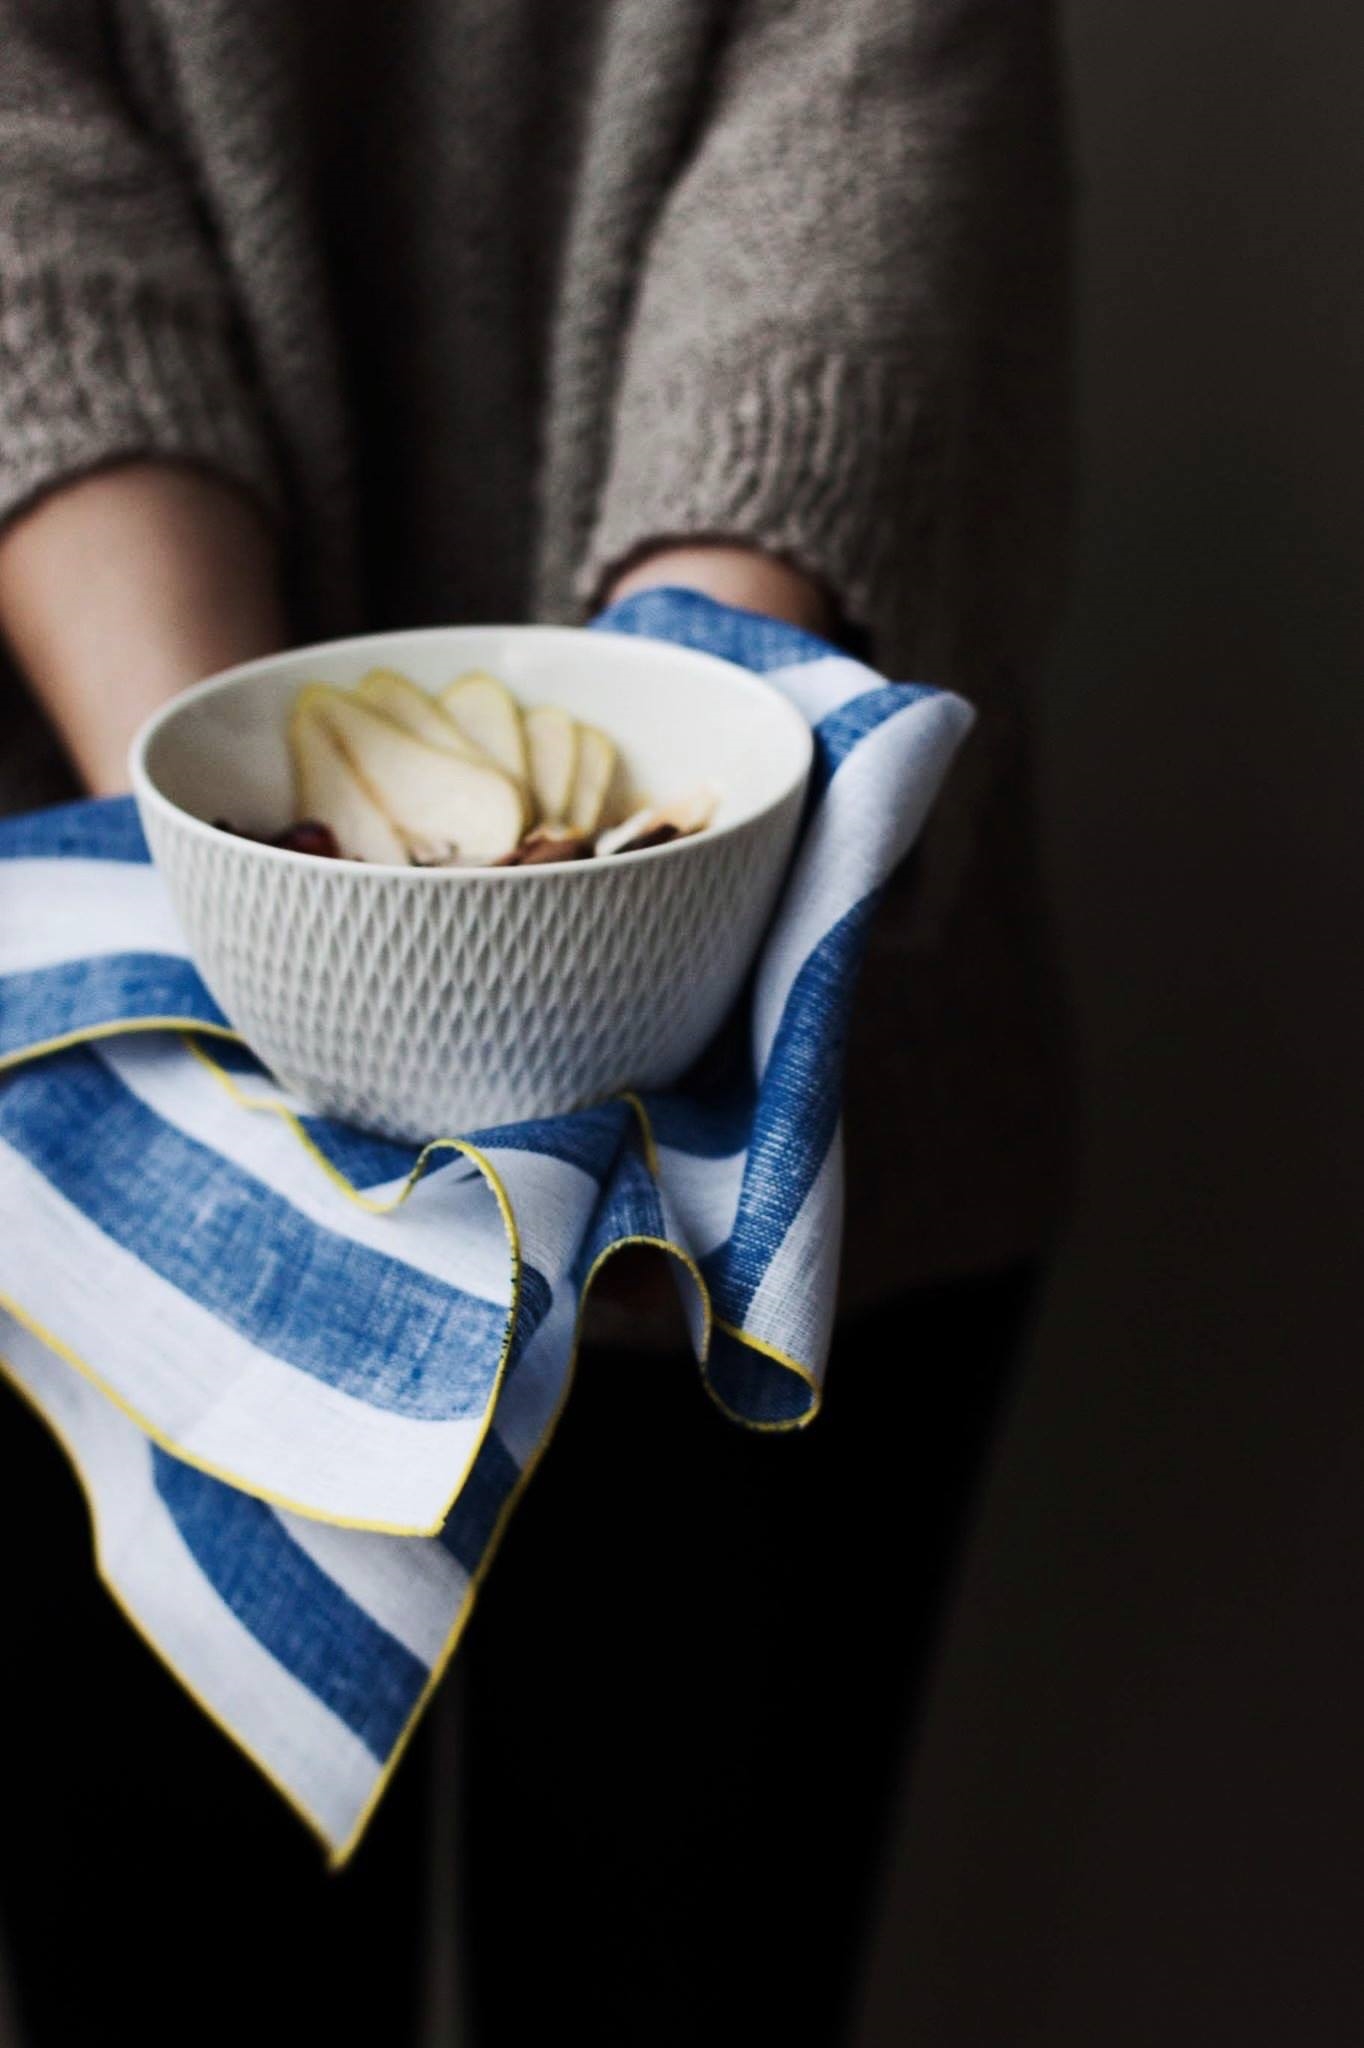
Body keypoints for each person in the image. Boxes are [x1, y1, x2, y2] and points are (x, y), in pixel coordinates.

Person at [0, 1, 1073, 2041]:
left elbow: (871, 102)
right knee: (173, 1968)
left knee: (685, 1967)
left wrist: (671, 790)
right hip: (109, 1096)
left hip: (771, 1105)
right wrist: (249, 870)